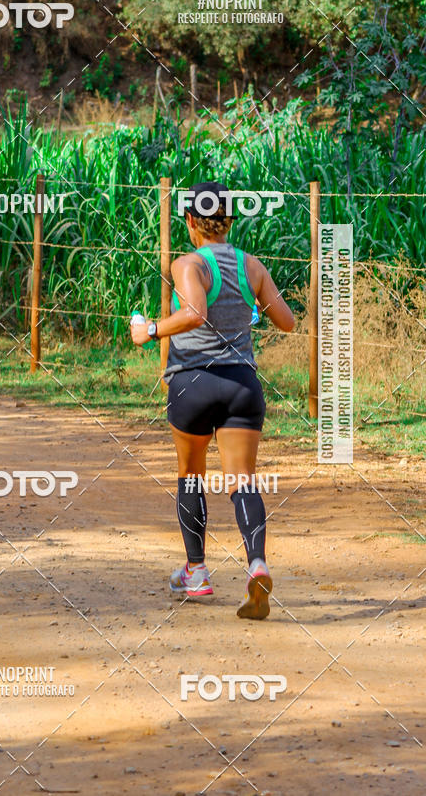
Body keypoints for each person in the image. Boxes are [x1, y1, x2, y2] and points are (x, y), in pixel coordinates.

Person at [131, 182, 295, 619]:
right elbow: (288, 322)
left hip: (194, 383)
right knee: (243, 479)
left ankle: (197, 572)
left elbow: (195, 314)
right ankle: (256, 563)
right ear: (228, 221)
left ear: (190, 221)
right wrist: (250, 308)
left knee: (190, 476)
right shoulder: (252, 266)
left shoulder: (188, 264)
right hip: (242, 384)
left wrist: (148, 330)